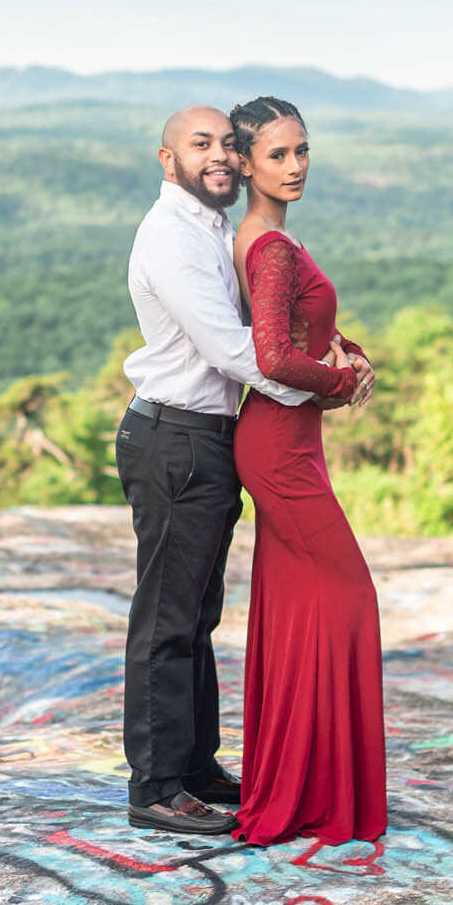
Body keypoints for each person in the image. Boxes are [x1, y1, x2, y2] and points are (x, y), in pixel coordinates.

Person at [117, 105, 355, 837]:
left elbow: (270, 321)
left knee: (196, 613)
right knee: (166, 618)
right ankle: (155, 786)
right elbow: (232, 348)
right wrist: (326, 384)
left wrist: (334, 349)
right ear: (167, 161)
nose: (218, 154)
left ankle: (193, 767)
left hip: (208, 439)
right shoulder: (172, 238)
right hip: (174, 438)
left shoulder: (214, 227)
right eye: (200, 145)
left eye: (226, 143)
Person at [229, 94, 386, 847]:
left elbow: (294, 325)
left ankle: (303, 786)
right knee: (348, 594)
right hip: (278, 449)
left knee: (298, 609)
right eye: (277, 155)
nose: (294, 167)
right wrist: (341, 382)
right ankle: (315, 791)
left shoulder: (264, 240)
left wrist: (344, 348)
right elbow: (270, 356)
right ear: (247, 163)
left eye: (301, 151)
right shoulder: (270, 247)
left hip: (290, 440)